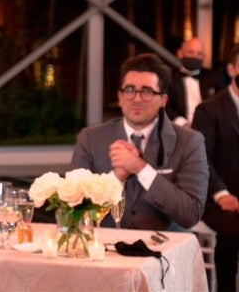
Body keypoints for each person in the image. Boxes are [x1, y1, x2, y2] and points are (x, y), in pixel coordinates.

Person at [71, 52, 208, 231]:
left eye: (146, 91)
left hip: (164, 251)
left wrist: (141, 168)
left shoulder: (190, 142)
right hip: (104, 250)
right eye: (129, 90)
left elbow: (191, 214)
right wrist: (116, 177)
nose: (137, 99)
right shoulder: (90, 138)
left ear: (163, 100)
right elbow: (73, 208)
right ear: (120, 97)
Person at [192, 44, 239, 292]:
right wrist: (222, 194)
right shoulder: (208, 110)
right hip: (216, 196)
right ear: (232, 70)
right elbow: (201, 159)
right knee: (232, 232)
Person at [165, 37, 222, 127]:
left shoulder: (213, 77)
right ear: (180, 53)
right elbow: (165, 106)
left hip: (209, 127)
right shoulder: (169, 78)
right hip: (179, 129)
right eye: (191, 52)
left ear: (204, 57)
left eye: (199, 54)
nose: (195, 57)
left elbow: (221, 103)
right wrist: (183, 123)